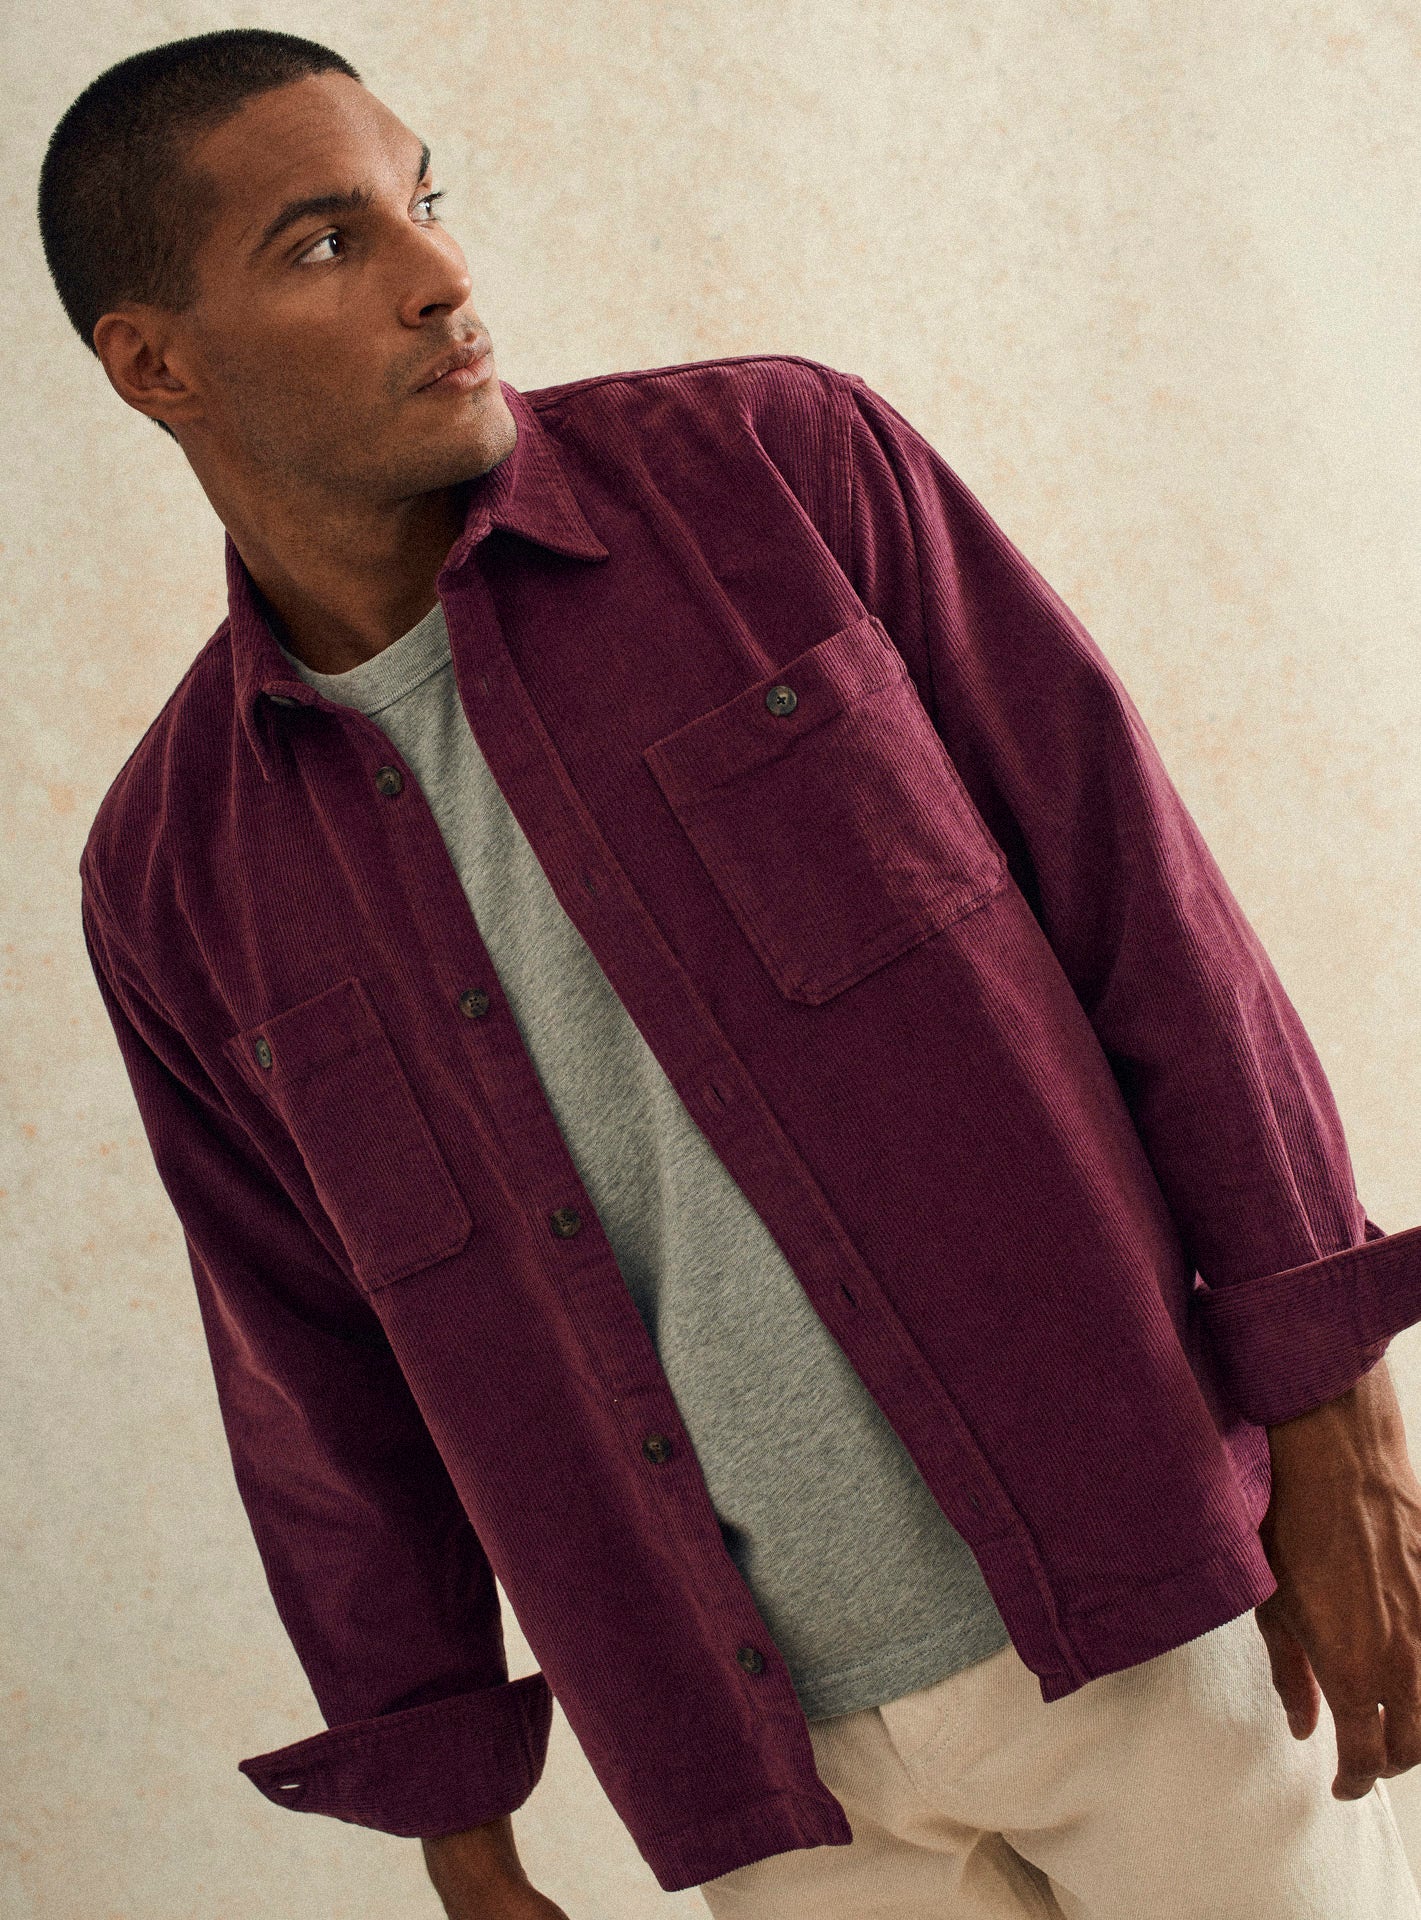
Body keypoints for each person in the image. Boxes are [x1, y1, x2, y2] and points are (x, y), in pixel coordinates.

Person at [40, 27, 1421, 1920]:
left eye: (425, 201)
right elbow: (309, 1364)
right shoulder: (173, 874)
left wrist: (1338, 1420)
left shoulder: (780, 477)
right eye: (326, 243)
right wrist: (460, 1821)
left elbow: (1153, 924)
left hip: (1162, 1609)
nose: (440, 272)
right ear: (154, 365)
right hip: (772, 1774)